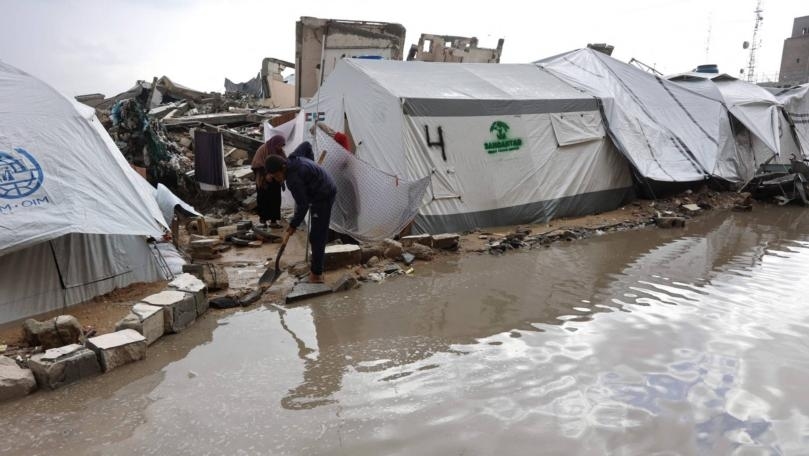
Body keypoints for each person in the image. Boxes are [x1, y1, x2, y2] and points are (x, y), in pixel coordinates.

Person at [265, 145, 337, 284]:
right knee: (315, 234)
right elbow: (307, 145)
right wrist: (312, 171)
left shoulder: (293, 180)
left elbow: (303, 205)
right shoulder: (292, 158)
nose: (275, 178)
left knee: (317, 236)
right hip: (320, 187)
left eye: (275, 175)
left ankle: (317, 275)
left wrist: (293, 225)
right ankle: (316, 268)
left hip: (324, 193)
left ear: (282, 169)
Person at [252, 135, 286, 228]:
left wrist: (279, 175)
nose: (280, 147)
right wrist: (266, 174)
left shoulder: (280, 152)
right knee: (263, 200)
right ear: (274, 143)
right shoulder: (263, 149)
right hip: (263, 179)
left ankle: (273, 221)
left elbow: (284, 163)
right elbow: (256, 164)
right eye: (279, 145)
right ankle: (263, 221)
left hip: (275, 180)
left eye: (282, 146)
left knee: (275, 200)